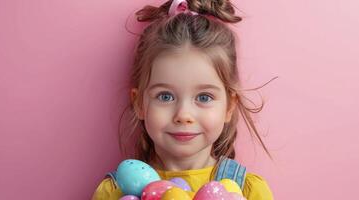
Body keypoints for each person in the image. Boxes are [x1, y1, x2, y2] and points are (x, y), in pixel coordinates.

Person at [92, 0, 274, 199]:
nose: (183, 115)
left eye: (204, 97)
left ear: (229, 107)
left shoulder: (248, 191)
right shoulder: (114, 192)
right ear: (139, 103)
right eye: (165, 96)